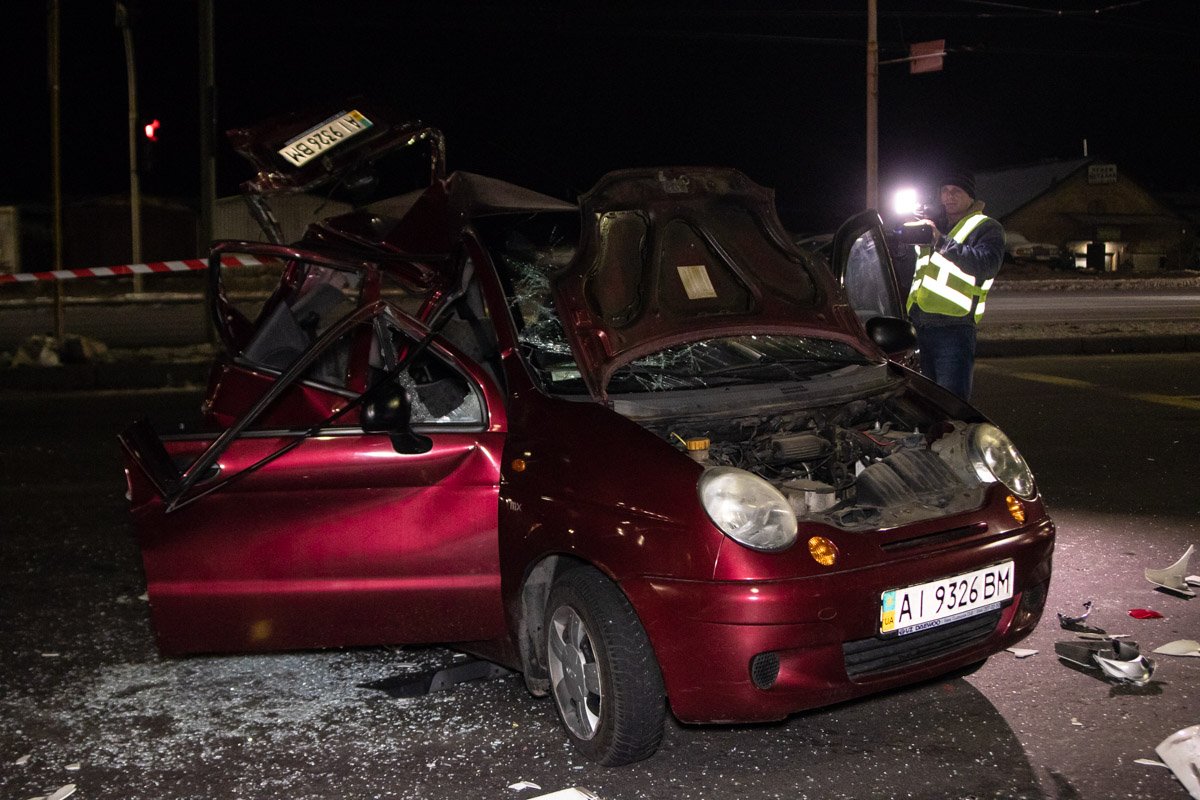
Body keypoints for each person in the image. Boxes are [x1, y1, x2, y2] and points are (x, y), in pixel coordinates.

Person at [905, 171, 1004, 401]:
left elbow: (987, 265)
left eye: (956, 191)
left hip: (954, 328)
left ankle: (953, 436)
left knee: (950, 404)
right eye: (945, 191)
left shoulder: (987, 227)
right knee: (923, 403)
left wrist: (940, 241)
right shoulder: (930, 226)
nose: (949, 196)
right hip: (919, 326)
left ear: (970, 196)